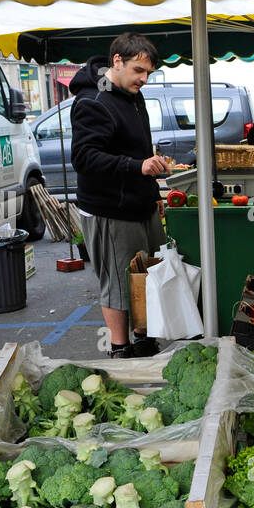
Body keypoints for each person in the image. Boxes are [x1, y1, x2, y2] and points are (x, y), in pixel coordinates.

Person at [70, 32, 167, 358]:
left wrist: (149, 178)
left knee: (142, 278)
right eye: (139, 70)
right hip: (110, 209)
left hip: (139, 202)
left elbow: (131, 146)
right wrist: (137, 166)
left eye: (148, 73)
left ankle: (143, 339)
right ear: (117, 61)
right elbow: (84, 158)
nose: (144, 79)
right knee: (118, 283)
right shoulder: (93, 101)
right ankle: (119, 348)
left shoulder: (130, 94)